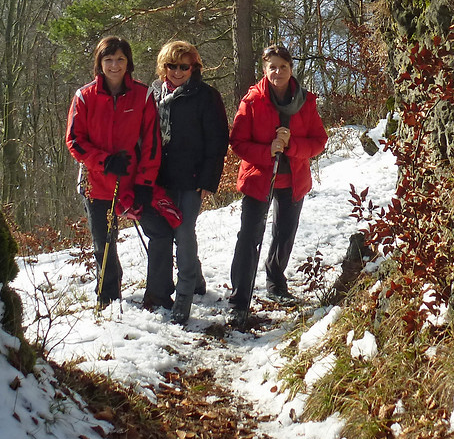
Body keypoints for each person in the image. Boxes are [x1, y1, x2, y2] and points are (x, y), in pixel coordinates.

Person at [227, 43, 328, 329]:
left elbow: (319, 141)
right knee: (249, 237)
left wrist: (291, 145)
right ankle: (239, 301)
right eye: (272, 67)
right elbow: (238, 142)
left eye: (283, 66)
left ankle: (276, 283)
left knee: (284, 234)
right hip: (259, 178)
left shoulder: (306, 101)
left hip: (293, 179)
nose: (278, 72)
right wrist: (268, 150)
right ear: (264, 69)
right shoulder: (252, 101)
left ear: (291, 69)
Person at [66, 35, 158, 307]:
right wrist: (103, 161)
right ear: (100, 63)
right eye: (108, 60)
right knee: (104, 243)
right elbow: (74, 140)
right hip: (96, 183)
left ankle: (161, 291)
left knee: (160, 233)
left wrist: (145, 182)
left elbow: (152, 143)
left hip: (134, 181)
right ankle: (108, 297)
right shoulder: (84, 97)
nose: (114, 65)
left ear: (128, 62)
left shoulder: (143, 95)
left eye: (120, 59)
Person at [141, 40, 228, 325]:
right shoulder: (154, 94)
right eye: (171, 66)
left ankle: (184, 295)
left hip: (192, 178)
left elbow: (217, 141)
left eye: (184, 66)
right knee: (169, 232)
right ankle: (198, 280)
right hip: (160, 177)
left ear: (194, 68)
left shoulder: (206, 96)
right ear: (163, 67)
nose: (177, 72)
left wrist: (208, 179)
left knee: (184, 231)